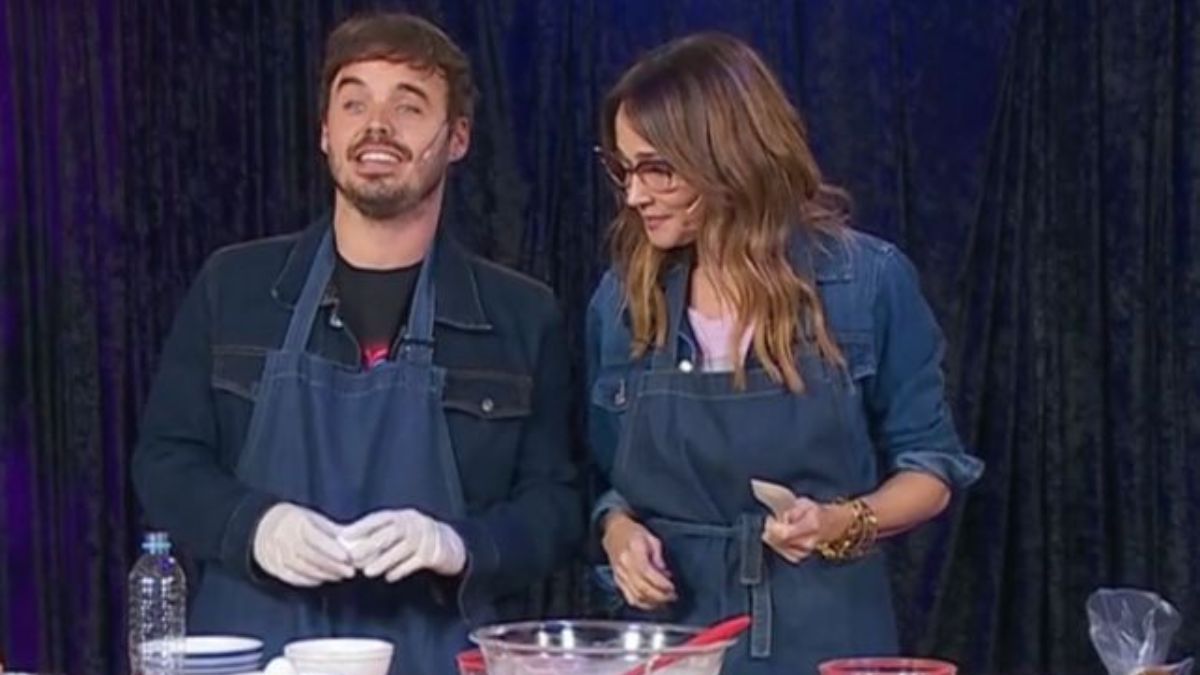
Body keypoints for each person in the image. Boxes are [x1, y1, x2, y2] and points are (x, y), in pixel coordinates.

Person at [132, 12, 581, 674]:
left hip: (436, 654)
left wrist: (461, 544)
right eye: (354, 102)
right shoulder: (235, 287)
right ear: (324, 132)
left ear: (457, 137)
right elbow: (165, 462)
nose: (377, 126)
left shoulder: (521, 315)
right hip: (257, 656)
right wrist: (254, 526)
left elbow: (557, 506)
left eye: (409, 104)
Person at [586, 33, 984, 674]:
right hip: (673, 642)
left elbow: (931, 472)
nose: (634, 196)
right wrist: (618, 533)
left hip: (826, 636)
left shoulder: (868, 283)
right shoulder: (625, 299)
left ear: (728, 155)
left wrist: (840, 522)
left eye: (657, 169)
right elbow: (606, 483)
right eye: (625, 169)